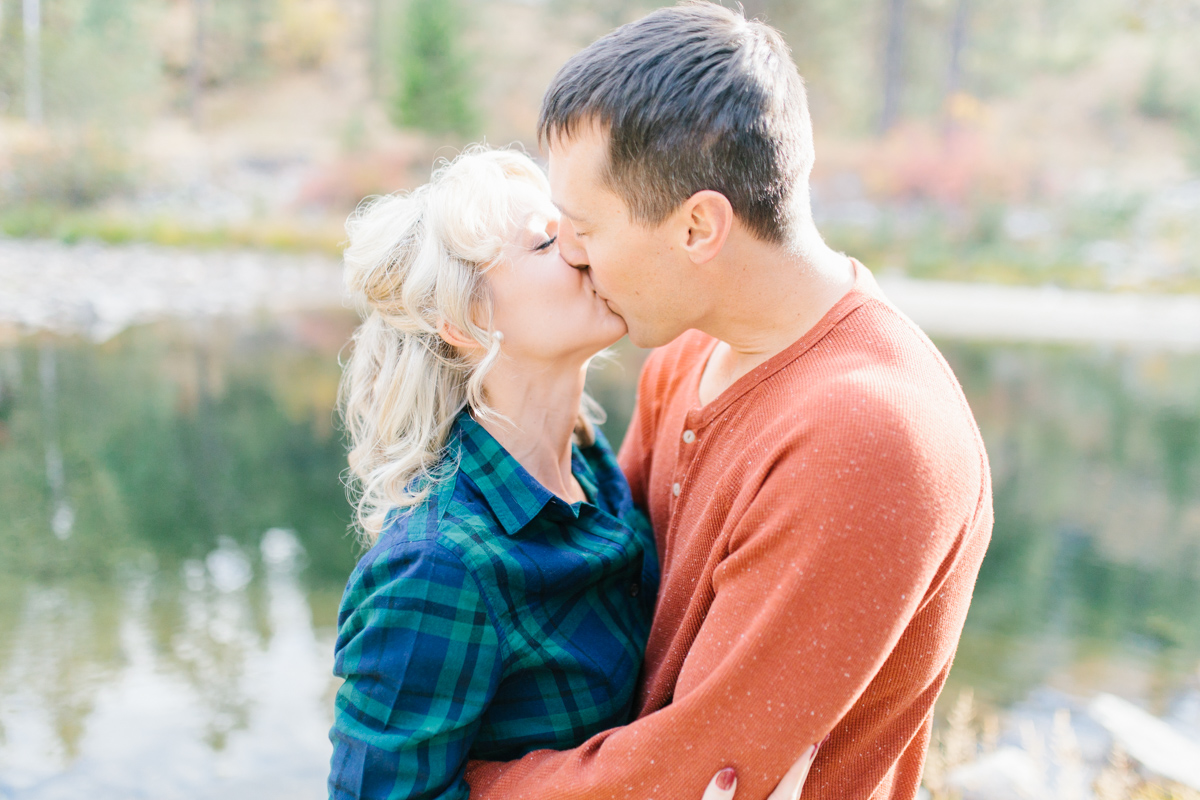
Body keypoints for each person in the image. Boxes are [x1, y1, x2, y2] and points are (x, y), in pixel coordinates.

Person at [463, 4, 993, 800]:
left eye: (585, 226)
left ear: (698, 226)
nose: (568, 254)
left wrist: (445, 780)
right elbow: (610, 598)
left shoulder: (871, 435)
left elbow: (699, 769)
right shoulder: (685, 352)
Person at [326, 147, 813, 800]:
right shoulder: (440, 566)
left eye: (577, 229)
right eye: (546, 243)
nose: (585, 251)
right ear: (466, 323)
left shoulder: (593, 469)